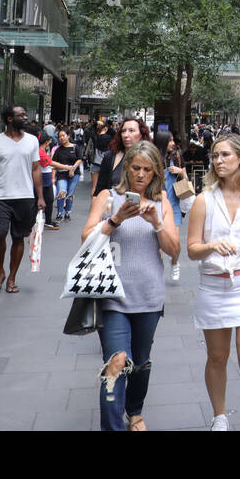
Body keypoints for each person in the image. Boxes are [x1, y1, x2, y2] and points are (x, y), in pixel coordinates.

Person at [84, 141, 178, 431]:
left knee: (141, 363)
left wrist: (156, 223)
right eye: (135, 168)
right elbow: (86, 237)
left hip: (149, 296)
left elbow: (175, 250)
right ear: (126, 168)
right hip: (113, 295)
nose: (140, 174)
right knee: (117, 362)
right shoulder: (107, 197)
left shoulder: (161, 202)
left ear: (155, 173)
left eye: (147, 170)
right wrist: (115, 219)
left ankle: (134, 412)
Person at [187, 133, 240, 431]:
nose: (218, 161)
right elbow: (192, 250)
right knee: (218, 357)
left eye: (224, 155)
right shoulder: (203, 200)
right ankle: (220, 416)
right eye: (214, 156)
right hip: (213, 287)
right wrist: (212, 246)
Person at [0, 105, 42, 295]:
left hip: (25, 196)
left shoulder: (32, 141)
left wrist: (40, 196)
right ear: (9, 119)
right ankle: (0, 272)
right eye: (20, 115)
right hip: (0, 196)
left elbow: (36, 169)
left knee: (18, 237)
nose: (25, 117)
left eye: (25, 114)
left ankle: (12, 277)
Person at [153, 130, 188, 283]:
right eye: (170, 141)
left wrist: (180, 171)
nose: (173, 143)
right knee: (158, 243)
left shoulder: (177, 156)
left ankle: (174, 261)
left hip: (174, 203)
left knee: (175, 242)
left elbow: (185, 179)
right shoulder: (153, 158)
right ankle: (157, 272)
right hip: (157, 202)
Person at [94, 117, 151, 195]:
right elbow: (99, 191)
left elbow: (161, 191)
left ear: (141, 134)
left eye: (131, 130)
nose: (126, 135)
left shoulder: (151, 158)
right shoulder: (110, 157)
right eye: (123, 131)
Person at [52, 129, 82, 222]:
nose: (61, 138)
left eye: (63, 135)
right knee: (61, 192)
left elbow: (80, 159)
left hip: (74, 174)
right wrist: (53, 178)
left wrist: (73, 168)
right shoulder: (58, 150)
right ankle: (59, 213)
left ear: (68, 136)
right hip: (61, 174)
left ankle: (68, 212)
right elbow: (54, 164)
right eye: (60, 136)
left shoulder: (75, 147)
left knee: (70, 194)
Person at [36, 132, 60, 232]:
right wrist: (66, 167)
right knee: (47, 200)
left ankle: (46, 221)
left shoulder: (41, 151)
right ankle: (44, 221)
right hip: (43, 179)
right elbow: (49, 163)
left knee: (48, 200)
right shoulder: (40, 152)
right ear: (46, 142)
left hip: (45, 179)